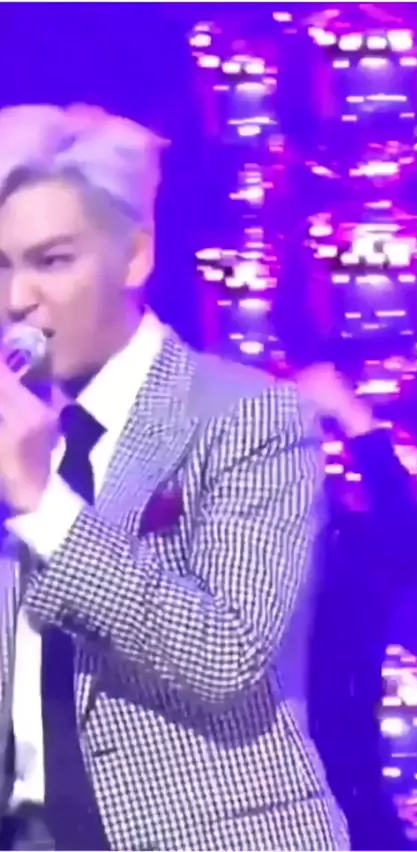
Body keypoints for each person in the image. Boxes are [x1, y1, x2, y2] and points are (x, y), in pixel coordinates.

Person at [0, 105, 347, 851]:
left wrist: (43, 504)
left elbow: (226, 655)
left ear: (134, 256)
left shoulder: (247, 415)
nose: (16, 300)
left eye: (51, 261)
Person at [297, 364, 417, 850]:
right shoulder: (206, 552)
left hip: (345, 801)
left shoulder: (344, 549)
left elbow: (408, 546)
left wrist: (355, 420)